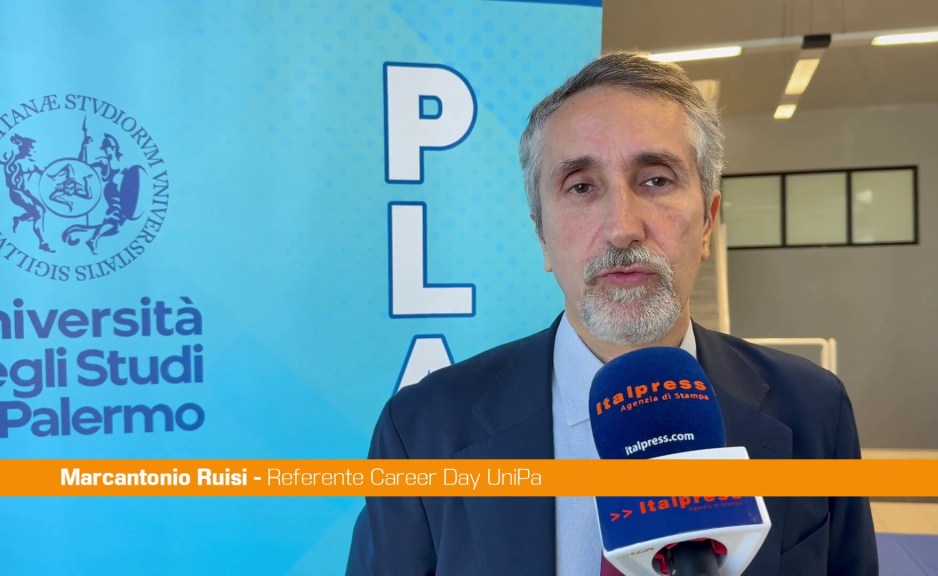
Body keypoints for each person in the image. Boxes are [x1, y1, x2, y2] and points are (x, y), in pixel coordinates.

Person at [347, 51, 878, 576]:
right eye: (581, 187)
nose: (622, 228)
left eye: (656, 180)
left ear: (708, 221)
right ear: (542, 236)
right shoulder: (422, 431)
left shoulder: (813, 409)